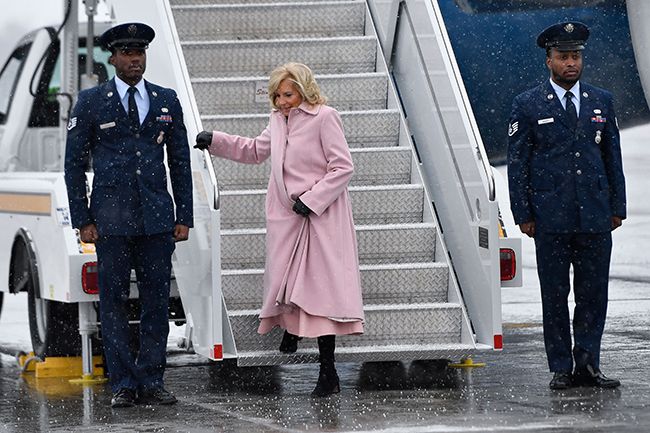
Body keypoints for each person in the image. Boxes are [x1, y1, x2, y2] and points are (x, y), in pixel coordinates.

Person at [194, 62, 364, 397]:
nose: (282, 100)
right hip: (286, 215)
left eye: (288, 93)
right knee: (285, 280)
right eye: (277, 94)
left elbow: (343, 166)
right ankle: (291, 329)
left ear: (304, 90)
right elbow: (256, 150)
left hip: (320, 216)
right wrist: (216, 141)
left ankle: (327, 372)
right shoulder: (277, 120)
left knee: (319, 292)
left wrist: (313, 199)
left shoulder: (325, 117)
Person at [64, 22, 193, 407]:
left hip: (156, 220)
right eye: (127, 53)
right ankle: (122, 382)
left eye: (140, 52)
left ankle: (152, 379)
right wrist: (83, 219)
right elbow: (73, 165)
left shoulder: (166, 99)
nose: (135, 59)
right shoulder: (91, 102)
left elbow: (180, 162)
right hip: (111, 221)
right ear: (113, 57)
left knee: (156, 303)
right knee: (114, 302)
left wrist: (183, 214)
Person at [507, 21, 626, 390]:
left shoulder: (601, 101)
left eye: (575, 57)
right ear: (549, 61)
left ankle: (589, 363)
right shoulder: (527, 104)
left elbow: (612, 157)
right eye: (563, 57)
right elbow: (518, 164)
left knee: (593, 295)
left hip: (594, 215)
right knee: (555, 296)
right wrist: (523, 213)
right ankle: (561, 366)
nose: (571, 63)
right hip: (550, 218)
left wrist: (617, 206)